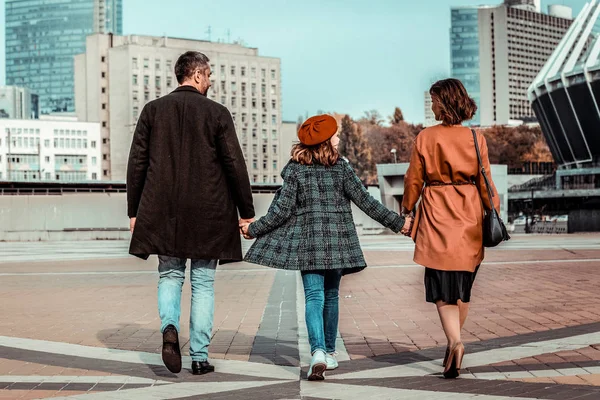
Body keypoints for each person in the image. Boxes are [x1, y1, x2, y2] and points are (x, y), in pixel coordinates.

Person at [240, 115, 412, 381]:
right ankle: (329, 352)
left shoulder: (296, 170)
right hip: (338, 243)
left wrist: (253, 229)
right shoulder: (341, 168)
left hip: (309, 244)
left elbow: (280, 211)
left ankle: (318, 351)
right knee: (331, 296)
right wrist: (398, 224)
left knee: (313, 297)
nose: (339, 138)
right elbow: (366, 202)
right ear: (327, 140)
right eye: (337, 135)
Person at [126, 51, 255, 375]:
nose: (210, 81)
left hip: (162, 210)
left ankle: (170, 328)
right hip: (208, 211)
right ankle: (199, 357)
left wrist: (134, 210)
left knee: (170, 275)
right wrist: (247, 211)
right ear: (197, 75)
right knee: (203, 283)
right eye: (209, 75)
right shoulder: (217, 113)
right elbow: (234, 164)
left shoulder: (153, 110)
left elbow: (137, 163)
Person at [402, 78, 500, 379]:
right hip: (468, 211)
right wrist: (492, 207)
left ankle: (455, 342)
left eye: (433, 100)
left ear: (443, 102)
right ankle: (453, 342)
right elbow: (484, 179)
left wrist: (407, 209)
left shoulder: (426, 137)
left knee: (440, 287)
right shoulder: (475, 137)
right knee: (463, 285)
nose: (431, 106)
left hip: (437, 210)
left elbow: (414, 180)